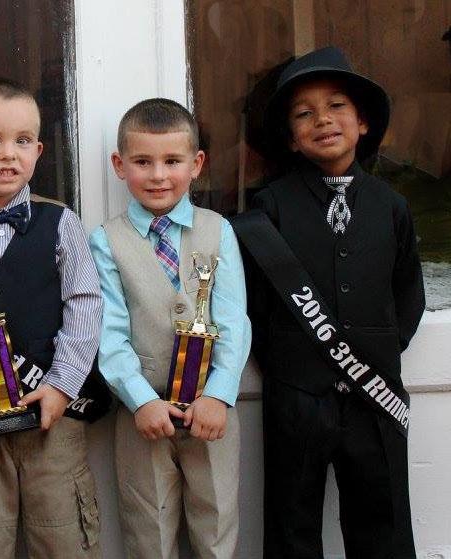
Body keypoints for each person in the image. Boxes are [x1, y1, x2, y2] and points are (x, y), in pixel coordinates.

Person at [237, 46, 425, 559]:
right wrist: (289, 365)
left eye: (337, 105)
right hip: (297, 394)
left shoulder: (393, 207)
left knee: (383, 520)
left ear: (363, 123)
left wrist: (376, 352)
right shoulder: (268, 209)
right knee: (290, 522)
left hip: (375, 394)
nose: (322, 119)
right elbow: (252, 302)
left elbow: (408, 292)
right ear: (291, 140)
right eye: (303, 113)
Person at [0, 78, 104, 558]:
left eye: (22, 141)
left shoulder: (60, 222)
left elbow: (85, 306)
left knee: (65, 540)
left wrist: (62, 384)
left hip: (54, 417)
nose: (8, 154)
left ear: (38, 150)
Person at [89, 98, 251, 558]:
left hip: (211, 413)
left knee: (216, 520)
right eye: (143, 162)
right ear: (120, 166)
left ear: (196, 164)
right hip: (144, 414)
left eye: (172, 161)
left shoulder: (217, 230)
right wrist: (140, 400)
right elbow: (110, 333)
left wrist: (219, 395)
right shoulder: (106, 241)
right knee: (148, 527)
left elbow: (234, 320)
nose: (158, 175)